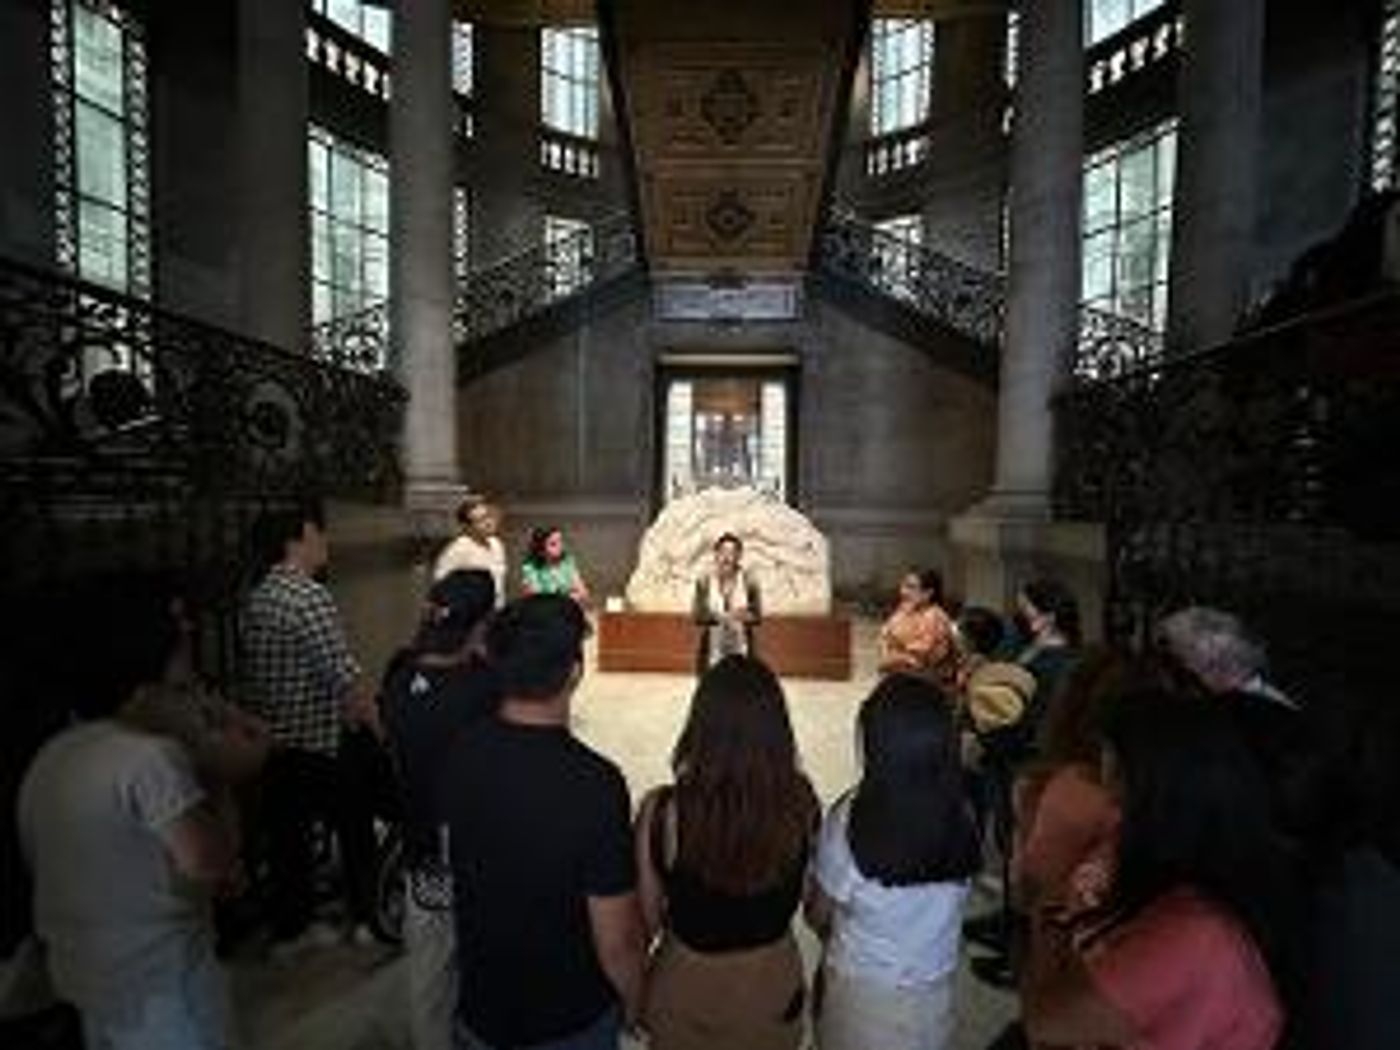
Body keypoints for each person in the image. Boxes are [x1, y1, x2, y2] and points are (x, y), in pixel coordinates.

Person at [18, 572, 239, 1050]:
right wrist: (219, 774)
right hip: (164, 988)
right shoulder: (149, 758)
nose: (190, 632)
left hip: (93, 990)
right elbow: (208, 864)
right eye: (177, 621)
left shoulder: (53, 755)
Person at [1021, 692, 1301, 1050]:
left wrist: (1047, 923)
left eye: (1119, 786)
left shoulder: (1195, 931)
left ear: (1161, 796)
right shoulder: (1179, 882)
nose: (1111, 804)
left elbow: (1049, 1021)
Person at [442, 596, 644, 1050]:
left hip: (481, 1008)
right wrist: (635, 1000)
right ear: (575, 673)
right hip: (568, 1020)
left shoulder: (463, 751)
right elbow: (616, 942)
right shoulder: (595, 784)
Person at [635, 655, 819, 1050]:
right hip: (771, 987)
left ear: (699, 726)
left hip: (683, 988)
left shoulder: (663, 811)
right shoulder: (801, 804)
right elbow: (811, 902)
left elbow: (644, 923)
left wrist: (630, 994)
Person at [805, 675, 980, 1050]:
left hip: (861, 997)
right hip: (935, 996)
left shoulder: (851, 818)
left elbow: (818, 913)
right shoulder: (963, 813)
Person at [240, 501, 380, 950]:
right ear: (300, 535)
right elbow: (342, 674)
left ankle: (292, 925)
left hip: (277, 741)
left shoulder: (258, 596)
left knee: (289, 840)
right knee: (356, 828)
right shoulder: (310, 596)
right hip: (322, 740)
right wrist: (376, 725)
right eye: (320, 534)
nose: (326, 543)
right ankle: (366, 916)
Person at [382, 569, 501, 1050]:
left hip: (420, 841)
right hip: (474, 846)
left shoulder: (399, 672)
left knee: (430, 969)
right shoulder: (482, 687)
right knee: (481, 957)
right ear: (481, 624)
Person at [690, 532, 762, 674]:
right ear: (716, 554)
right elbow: (697, 616)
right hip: (712, 649)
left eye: (732, 552)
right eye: (723, 551)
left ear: (739, 556)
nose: (727, 557)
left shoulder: (749, 581)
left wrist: (742, 615)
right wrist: (718, 617)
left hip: (742, 647)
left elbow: (757, 616)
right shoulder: (704, 580)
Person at [876, 569, 955, 682]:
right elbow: (884, 635)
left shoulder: (934, 618)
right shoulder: (905, 609)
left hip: (923, 683)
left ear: (928, 593)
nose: (903, 592)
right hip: (897, 675)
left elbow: (917, 660)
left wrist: (889, 660)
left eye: (911, 587)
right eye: (903, 586)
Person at [433, 496, 507, 609]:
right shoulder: (458, 550)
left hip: (495, 615)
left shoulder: (496, 544)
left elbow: (499, 585)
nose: (488, 523)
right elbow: (440, 587)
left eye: (488, 517)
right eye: (480, 520)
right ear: (466, 527)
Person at [521, 526, 590, 606]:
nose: (560, 546)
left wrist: (577, 596)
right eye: (553, 544)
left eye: (560, 541)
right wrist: (568, 597)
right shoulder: (531, 568)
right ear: (541, 550)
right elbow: (534, 600)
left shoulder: (567, 562)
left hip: (567, 612)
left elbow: (584, 594)